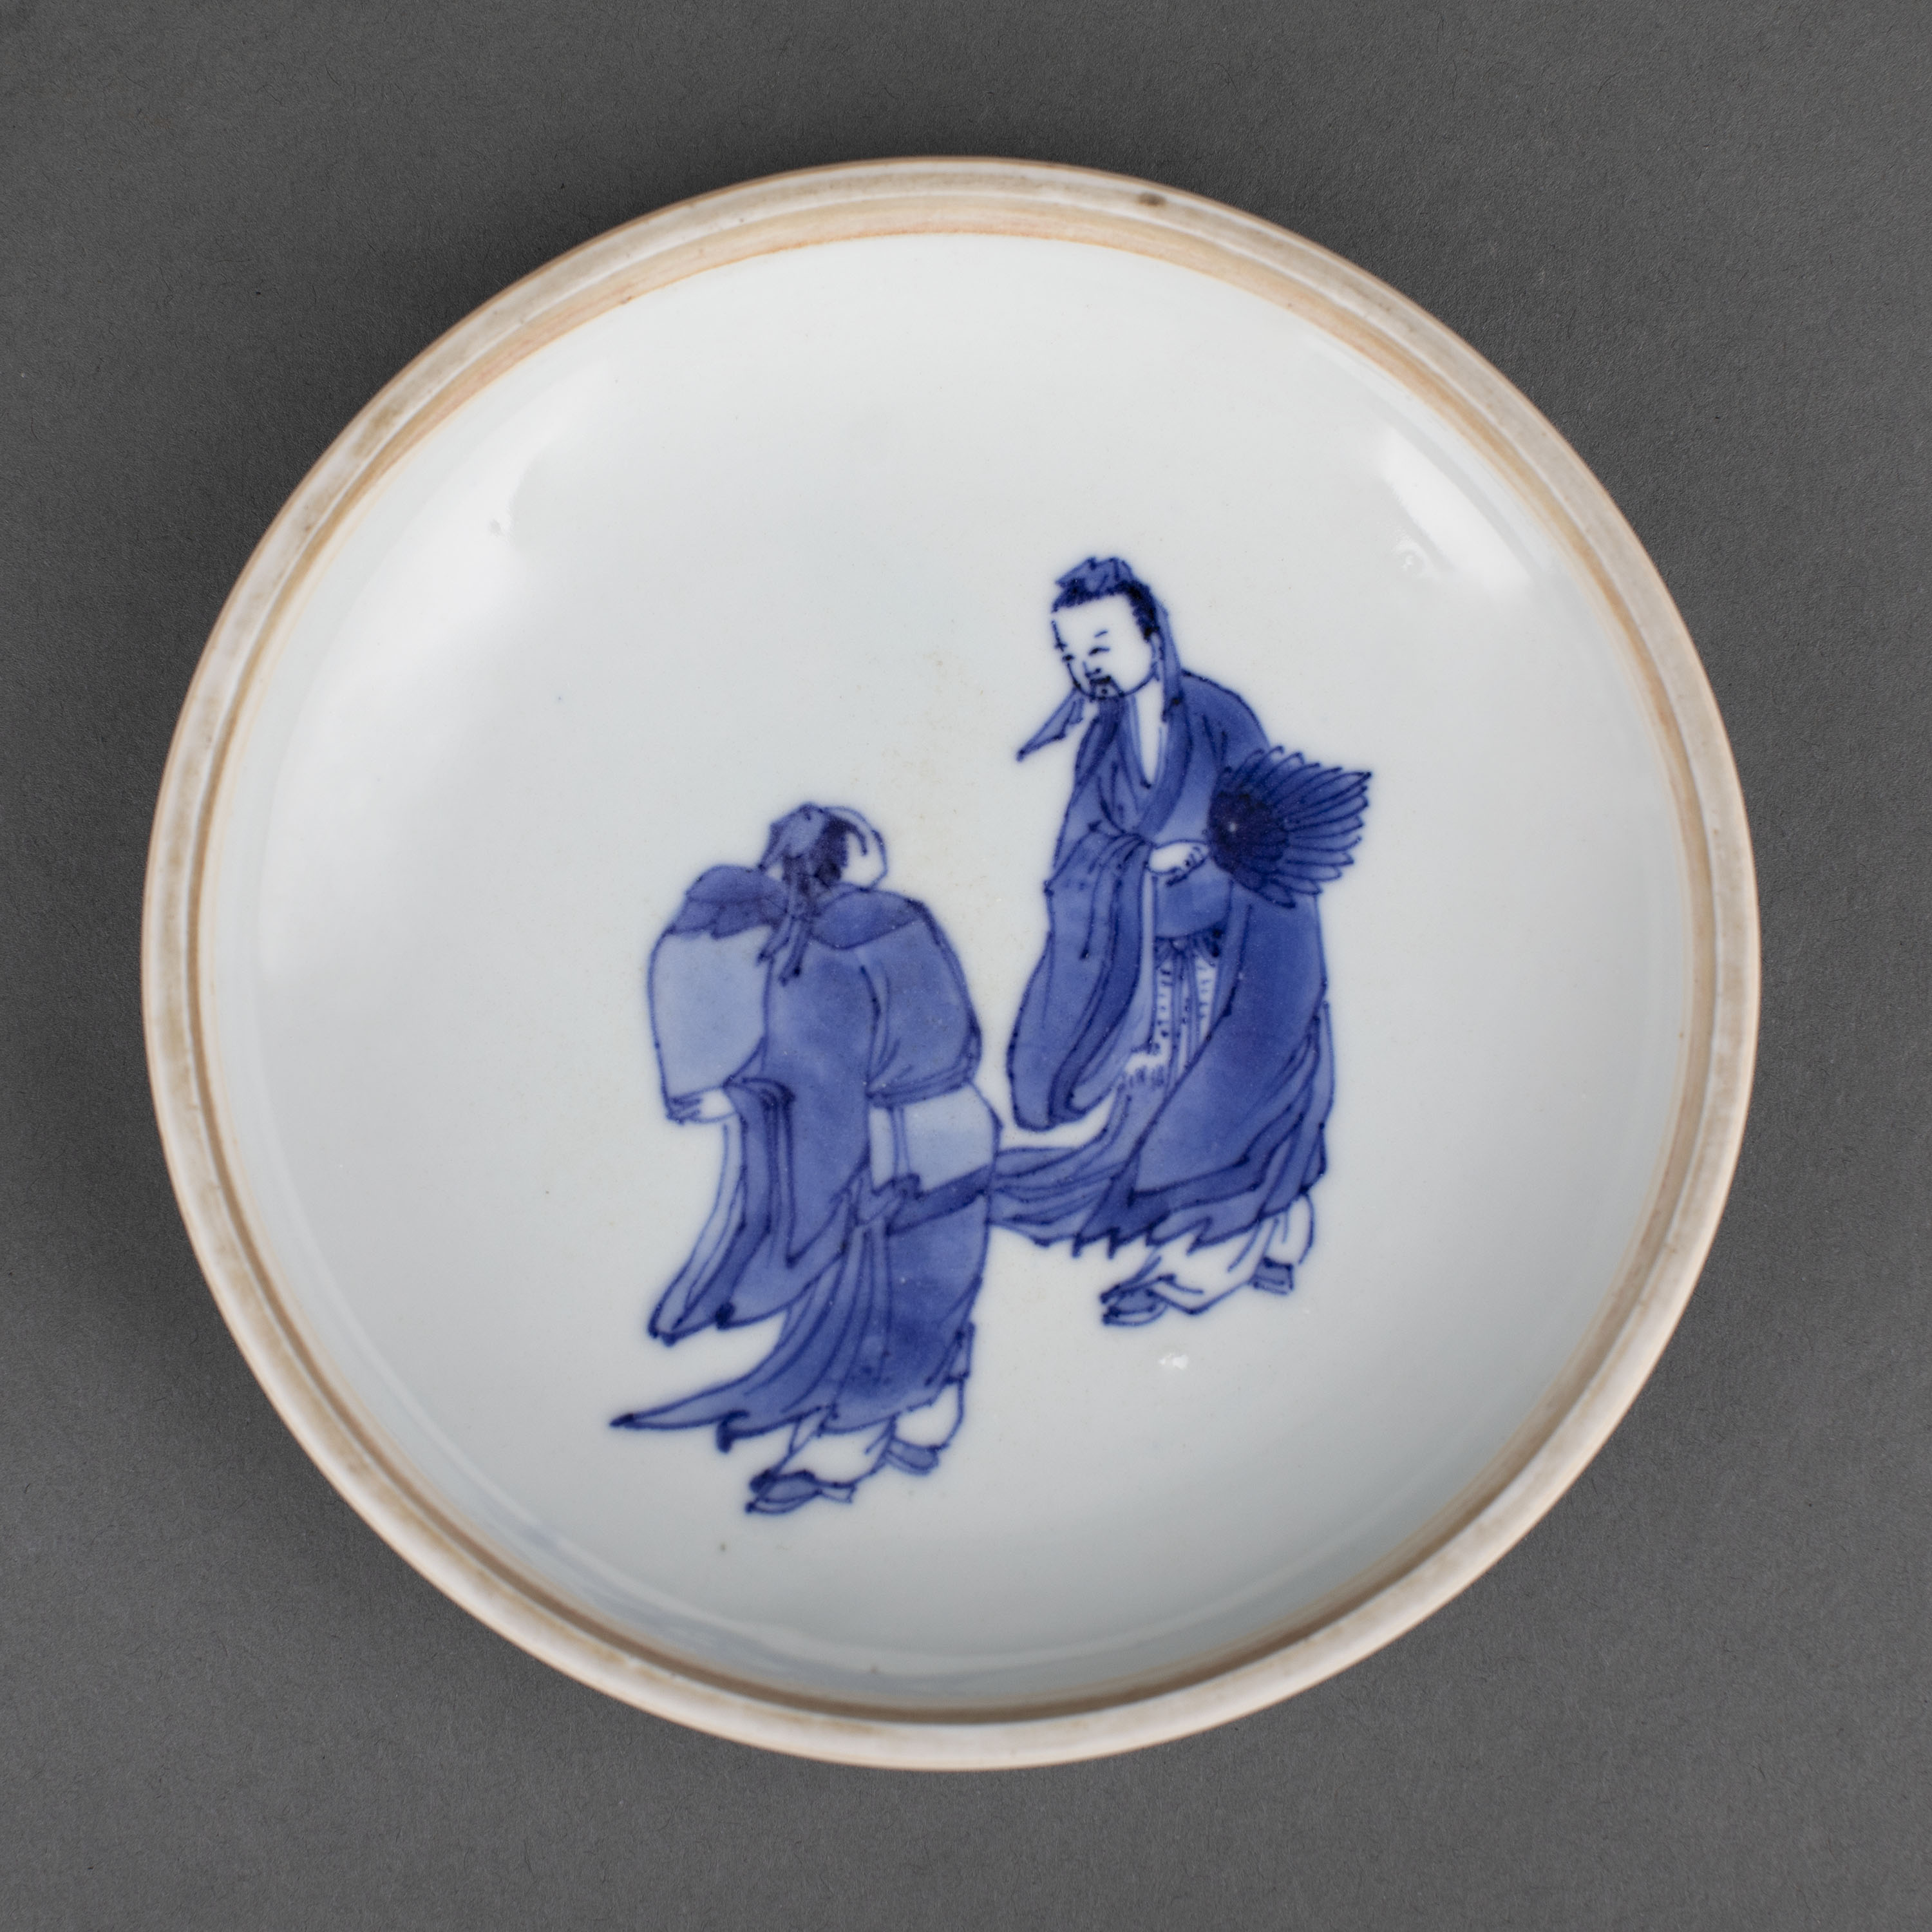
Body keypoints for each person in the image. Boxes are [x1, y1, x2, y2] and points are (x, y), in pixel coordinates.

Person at [994, 556, 1367, 1326]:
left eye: (1101, 645)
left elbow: (1266, 832)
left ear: (1152, 634)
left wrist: (1203, 868)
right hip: (1155, 966)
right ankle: (1277, 1240)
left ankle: (1200, 1269)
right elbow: (1078, 855)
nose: (1087, 667)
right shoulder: (1103, 741)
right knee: (1165, 1107)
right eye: (1071, 653)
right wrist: (1138, 864)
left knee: (1231, 1102)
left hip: (1237, 959)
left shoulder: (1219, 718)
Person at [614, 806, 998, 1514]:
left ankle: (846, 1450)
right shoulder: (911, 919)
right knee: (941, 1280)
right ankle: (929, 1417)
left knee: (882, 1302)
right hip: (964, 1122)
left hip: (895, 1147)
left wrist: (739, 1101)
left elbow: (819, 1083)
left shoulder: (817, 954)